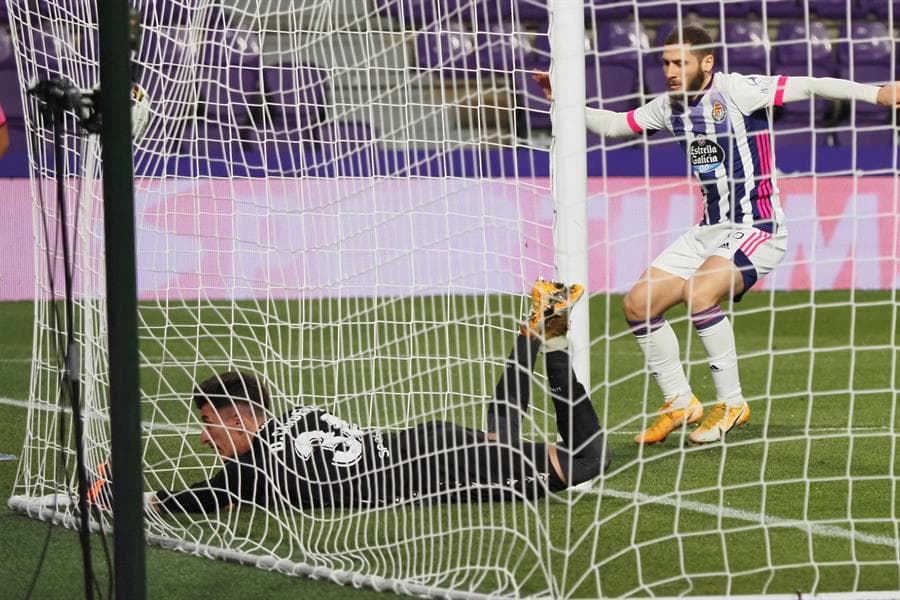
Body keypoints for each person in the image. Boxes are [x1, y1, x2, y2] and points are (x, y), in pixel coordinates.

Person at [534, 24, 900, 445]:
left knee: (700, 293)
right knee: (638, 305)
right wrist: (563, 102)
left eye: (680, 62)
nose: (670, 71)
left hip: (757, 227)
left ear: (706, 62)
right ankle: (678, 402)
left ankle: (731, 402)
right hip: (708, 230)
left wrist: (877, 94)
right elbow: (617, 125)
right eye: (666, 62)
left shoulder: (737, 91)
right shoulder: (669, 107)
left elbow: (811, 84)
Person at [89, 279, 611, 513]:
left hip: (449, 466)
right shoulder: (297, 418)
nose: (204, 438)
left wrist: (126, 496)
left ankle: (554, 338)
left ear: (241, 414)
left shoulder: (257, 466)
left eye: (209, 422)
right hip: (432, 446)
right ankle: (538, 326)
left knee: (592, 459)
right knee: (501, 432)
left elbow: (200, 498)